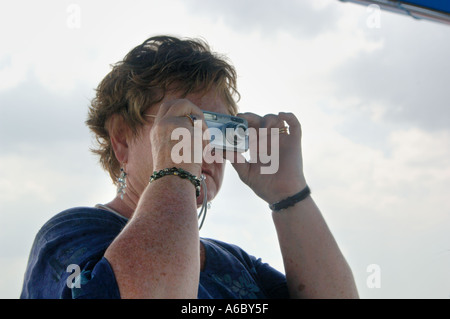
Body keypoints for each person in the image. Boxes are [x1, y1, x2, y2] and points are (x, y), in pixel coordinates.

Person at [20, 35, 359, 299]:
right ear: (122, 139)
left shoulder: (234, 263)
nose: (207, 149)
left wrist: (289, 195)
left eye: (221, 130)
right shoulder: (69, 235)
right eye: (187, 126)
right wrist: (177, 171)